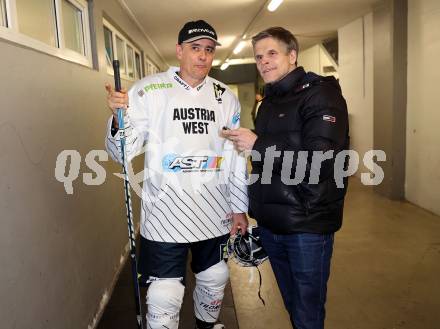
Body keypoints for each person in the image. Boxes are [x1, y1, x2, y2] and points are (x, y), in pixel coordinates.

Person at [105, 20, 248, 329]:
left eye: (209, 50)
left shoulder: (226, 97)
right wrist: (118, 121)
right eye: (195, 48)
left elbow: (235, 157)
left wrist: (240, 207)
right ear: (179, 51)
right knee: (164, 293)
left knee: (215, 276)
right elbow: (121, 152)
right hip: (165, 214)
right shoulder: (148, 90)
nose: (203, 56)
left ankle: (207, 325)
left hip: (215, 211)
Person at [222, 27, 349, 329]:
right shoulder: (269, 103)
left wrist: (257, 144)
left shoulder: (322, 95)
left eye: (271, 54)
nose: (263, 62)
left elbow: (319, 162)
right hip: (272, 225)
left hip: (306, 225)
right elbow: (267, 164)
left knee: (307, 314)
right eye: (258, 57)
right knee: (295, 309)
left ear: (292, 56)